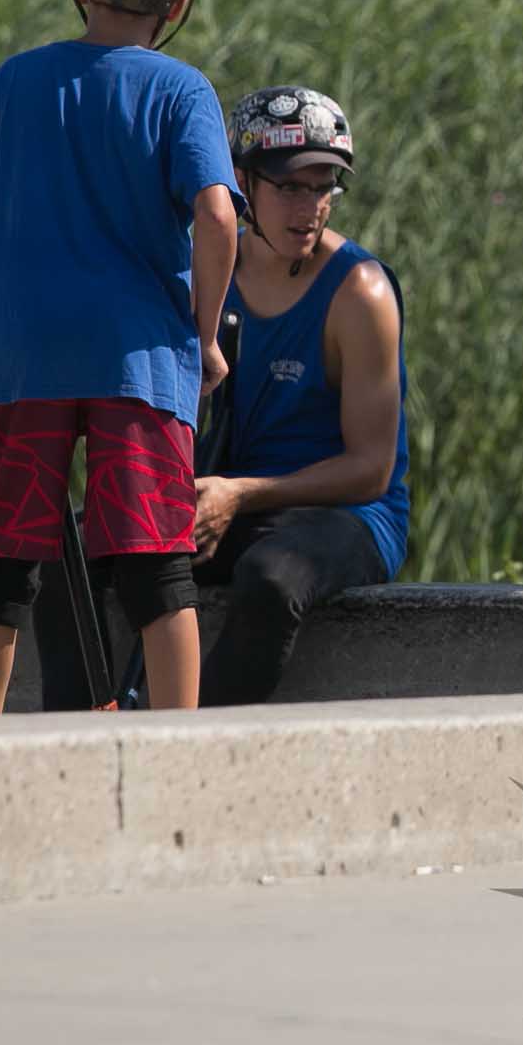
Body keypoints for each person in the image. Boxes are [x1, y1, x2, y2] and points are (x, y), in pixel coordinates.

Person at [0, 0, 239, 713]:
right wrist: (205, 337)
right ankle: (178, 752)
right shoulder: (182, 90)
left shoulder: (14, 83)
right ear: (177, 4)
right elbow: (219, 217)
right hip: (140, 366)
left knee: (1, 568)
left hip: (25, 363)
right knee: (157, 569)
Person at [180, 84, 412, 704]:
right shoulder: (205, 267)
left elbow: (371, 470)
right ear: (241, 183)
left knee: (272, 577)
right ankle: (81, 728)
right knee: (80, 551)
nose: (309, 209)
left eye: (323, 188)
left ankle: (198, 743)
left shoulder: (360, 293)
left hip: (348, 514)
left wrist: (239, 494)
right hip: (228, 496)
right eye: (289, 188)